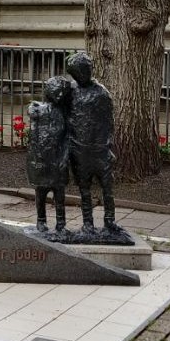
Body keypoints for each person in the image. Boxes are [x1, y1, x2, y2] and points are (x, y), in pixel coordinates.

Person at [66, 52, 120, 232]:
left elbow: (109, 122)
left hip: (100, 149)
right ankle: (87, 222)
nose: (82, 74)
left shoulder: (101, 93)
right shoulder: (71, 92)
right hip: (79, 150)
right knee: (84, 189)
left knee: (107, 187)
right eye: (78, 72)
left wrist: (109, 146)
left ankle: (109, 221)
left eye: (84, 70)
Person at [26, 75, 71, 233]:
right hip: (42, 158)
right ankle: (41, 221)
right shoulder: (38, 110)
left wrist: (65, 157)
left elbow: (67, 137)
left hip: (58, 158)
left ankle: (61, 224)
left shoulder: (64, 113)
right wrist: (37, 157)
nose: (59, 96)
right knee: (41, 192)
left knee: (59, 193)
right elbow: (33, 135)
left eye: (62, 93)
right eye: (57, 92)